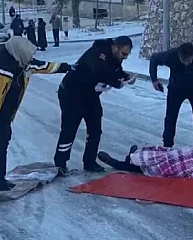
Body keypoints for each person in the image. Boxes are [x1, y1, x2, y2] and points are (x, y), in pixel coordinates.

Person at [0, 36, 72, 198]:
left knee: (1, 147)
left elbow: (45, 66)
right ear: (18, 51)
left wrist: (67, 67)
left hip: (4, 115)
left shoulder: (25, 64)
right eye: (28, 53)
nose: (30, 57)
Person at [53, 36, 136, 174]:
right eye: (124, 54)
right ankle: (60, 164)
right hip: (72, 93)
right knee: (69, 129)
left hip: (90, 95)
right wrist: (117, 83)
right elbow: (100, 72)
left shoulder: (114, 57)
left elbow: (116, 71)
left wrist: (126, 77)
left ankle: (89, 162)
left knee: (95, 129)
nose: (125, 57)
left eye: (127, 55)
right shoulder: (98, 53)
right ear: (115, 47)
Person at [149, 42, 193, 148]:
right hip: (176, 89)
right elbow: (154, 59)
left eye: (189, 60)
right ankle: (167, 144)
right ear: (179, 55)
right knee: (171, 116)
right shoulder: (171, 55)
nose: (186, 63)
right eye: (184, 60)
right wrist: (154, 80)